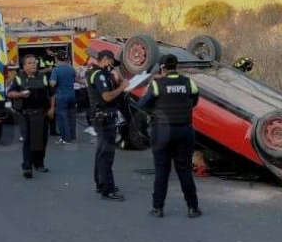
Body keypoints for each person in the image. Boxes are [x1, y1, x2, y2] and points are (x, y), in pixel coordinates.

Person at [137, 54, 202, 218]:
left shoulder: (157, 84)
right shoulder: (189, 82)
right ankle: (192, 208)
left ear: (162, 67)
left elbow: (142, 104)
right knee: (185, 170)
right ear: (176, 66)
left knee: (162, 170)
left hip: (162, 132)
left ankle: (157, 208)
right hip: (185, 130)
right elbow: (194, 102)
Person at [87, 50, 127, 201]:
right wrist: (122, 87)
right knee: (107, 155)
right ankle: (108, 189)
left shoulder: (99, 73)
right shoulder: (99, 75)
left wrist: (119, 77)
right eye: (111, 62)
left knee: (101, 153)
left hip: (101, 118)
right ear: (105, 59)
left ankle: (101, 182)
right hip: (104, 119)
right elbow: (107, 96)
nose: (112, 66)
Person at [8, 54, 55, 178]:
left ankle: (39, 164)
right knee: (28, 140)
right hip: (26, 115)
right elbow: (10, 94)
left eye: (34, 62)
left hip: (42, 114)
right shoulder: (18, 78)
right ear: (24, 66)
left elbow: (52, 94)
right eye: (29, 63)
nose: (33, 64)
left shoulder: (43, 76)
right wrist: (21, 94)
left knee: (41, 140)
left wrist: (52, 108)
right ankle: (27, 167)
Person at [49, 52, 79, 144]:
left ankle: (66, 139)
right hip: (72, 96)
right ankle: (72, 136)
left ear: (57, 59)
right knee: (72, 117)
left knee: (62, 117)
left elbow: (53, 83)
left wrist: (50, 81)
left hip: (62, 97)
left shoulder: (56, 70)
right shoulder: (72, 69)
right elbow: (77, 79)